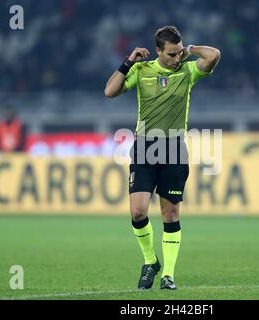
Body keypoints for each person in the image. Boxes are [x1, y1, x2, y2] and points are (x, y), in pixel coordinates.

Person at [104, 26, 220, 290]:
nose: (176, 59)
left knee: (170, 215)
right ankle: (150, 261)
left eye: (179, 53)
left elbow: (213, 55)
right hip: (145, 147)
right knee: (137, 211)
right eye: (171, 54)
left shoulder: (187, 71)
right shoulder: (141, 70)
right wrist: (128, 61)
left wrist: (188, 50)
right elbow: (110, 92)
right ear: (157, 51)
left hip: (174, 149)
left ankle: (168, 274)